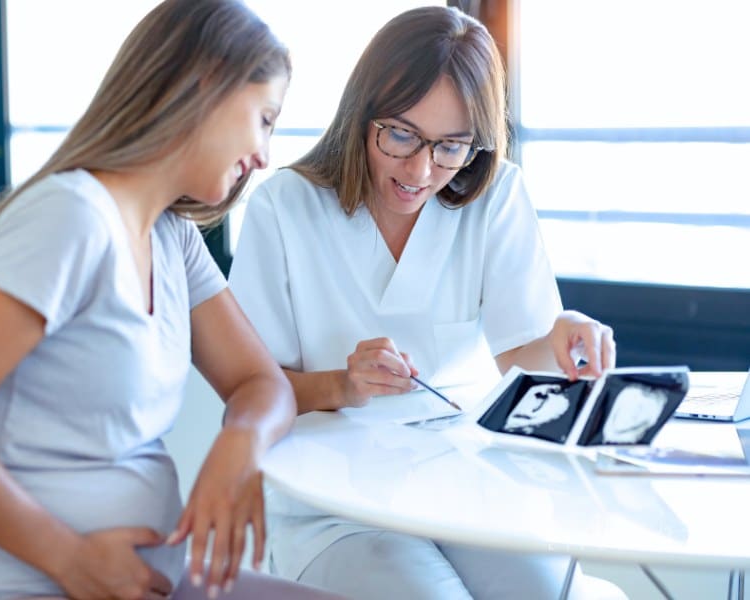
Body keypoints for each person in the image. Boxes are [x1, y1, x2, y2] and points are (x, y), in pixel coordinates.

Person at [0, 1, 295, 598]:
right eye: (265, 119)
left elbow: (261, 382)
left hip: (129, 578)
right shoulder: (71, 218)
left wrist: (240, 443)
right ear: (207, 83)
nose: (265, 155)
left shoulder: (170, 236)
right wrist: (69, 558)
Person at [229, 6, 621, 600]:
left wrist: (563, 334)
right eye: (401, 135)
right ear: (361, 114)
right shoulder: (284, 208)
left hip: (470, 485)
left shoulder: (495, 194)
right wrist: (343, 385)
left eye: (450, 146)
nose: (420, 169)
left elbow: (523, 355)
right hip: (334, 503)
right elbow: (252, 387)